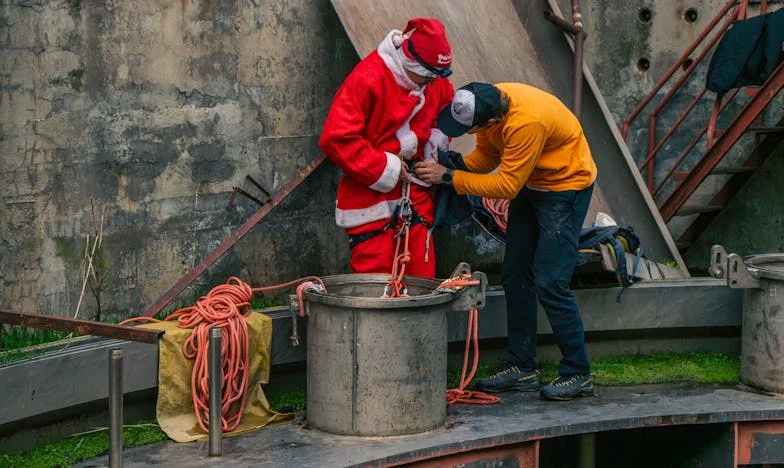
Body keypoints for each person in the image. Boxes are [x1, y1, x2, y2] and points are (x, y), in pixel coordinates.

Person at [414, 82, 598, 400]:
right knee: (515, 275)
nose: (465, 132)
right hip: (533, 182)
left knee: (550, 281)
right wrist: (450, 166)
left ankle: (578, 372)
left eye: (469, 128)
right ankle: (521, 368)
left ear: (489, 122)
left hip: (565, 187)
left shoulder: (527, 122)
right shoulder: (487, 100)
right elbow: (486, 158)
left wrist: (448, 177)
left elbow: (506, 185)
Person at [318, 18, 455, 278]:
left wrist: (435, 145)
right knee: (376, 284)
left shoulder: (432, 79)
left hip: (415, 193)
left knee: (422, 280)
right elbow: (336, 138)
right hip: (370, 196)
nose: (431, 82)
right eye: (428, 76)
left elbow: (443, 110)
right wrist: (387, 167)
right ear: (411, 62)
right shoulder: (367, 78)